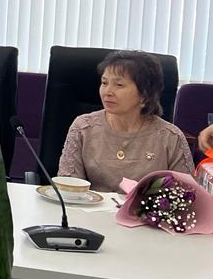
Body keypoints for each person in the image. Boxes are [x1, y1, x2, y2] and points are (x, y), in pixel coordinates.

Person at [58, 51, 194, 192]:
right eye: (104, 83)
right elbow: (68, 188)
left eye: (119, 85)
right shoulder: (83, 128)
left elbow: (185, 195)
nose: (107, 92)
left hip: (146, 207)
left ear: (145, 94)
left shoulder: (171, 137)